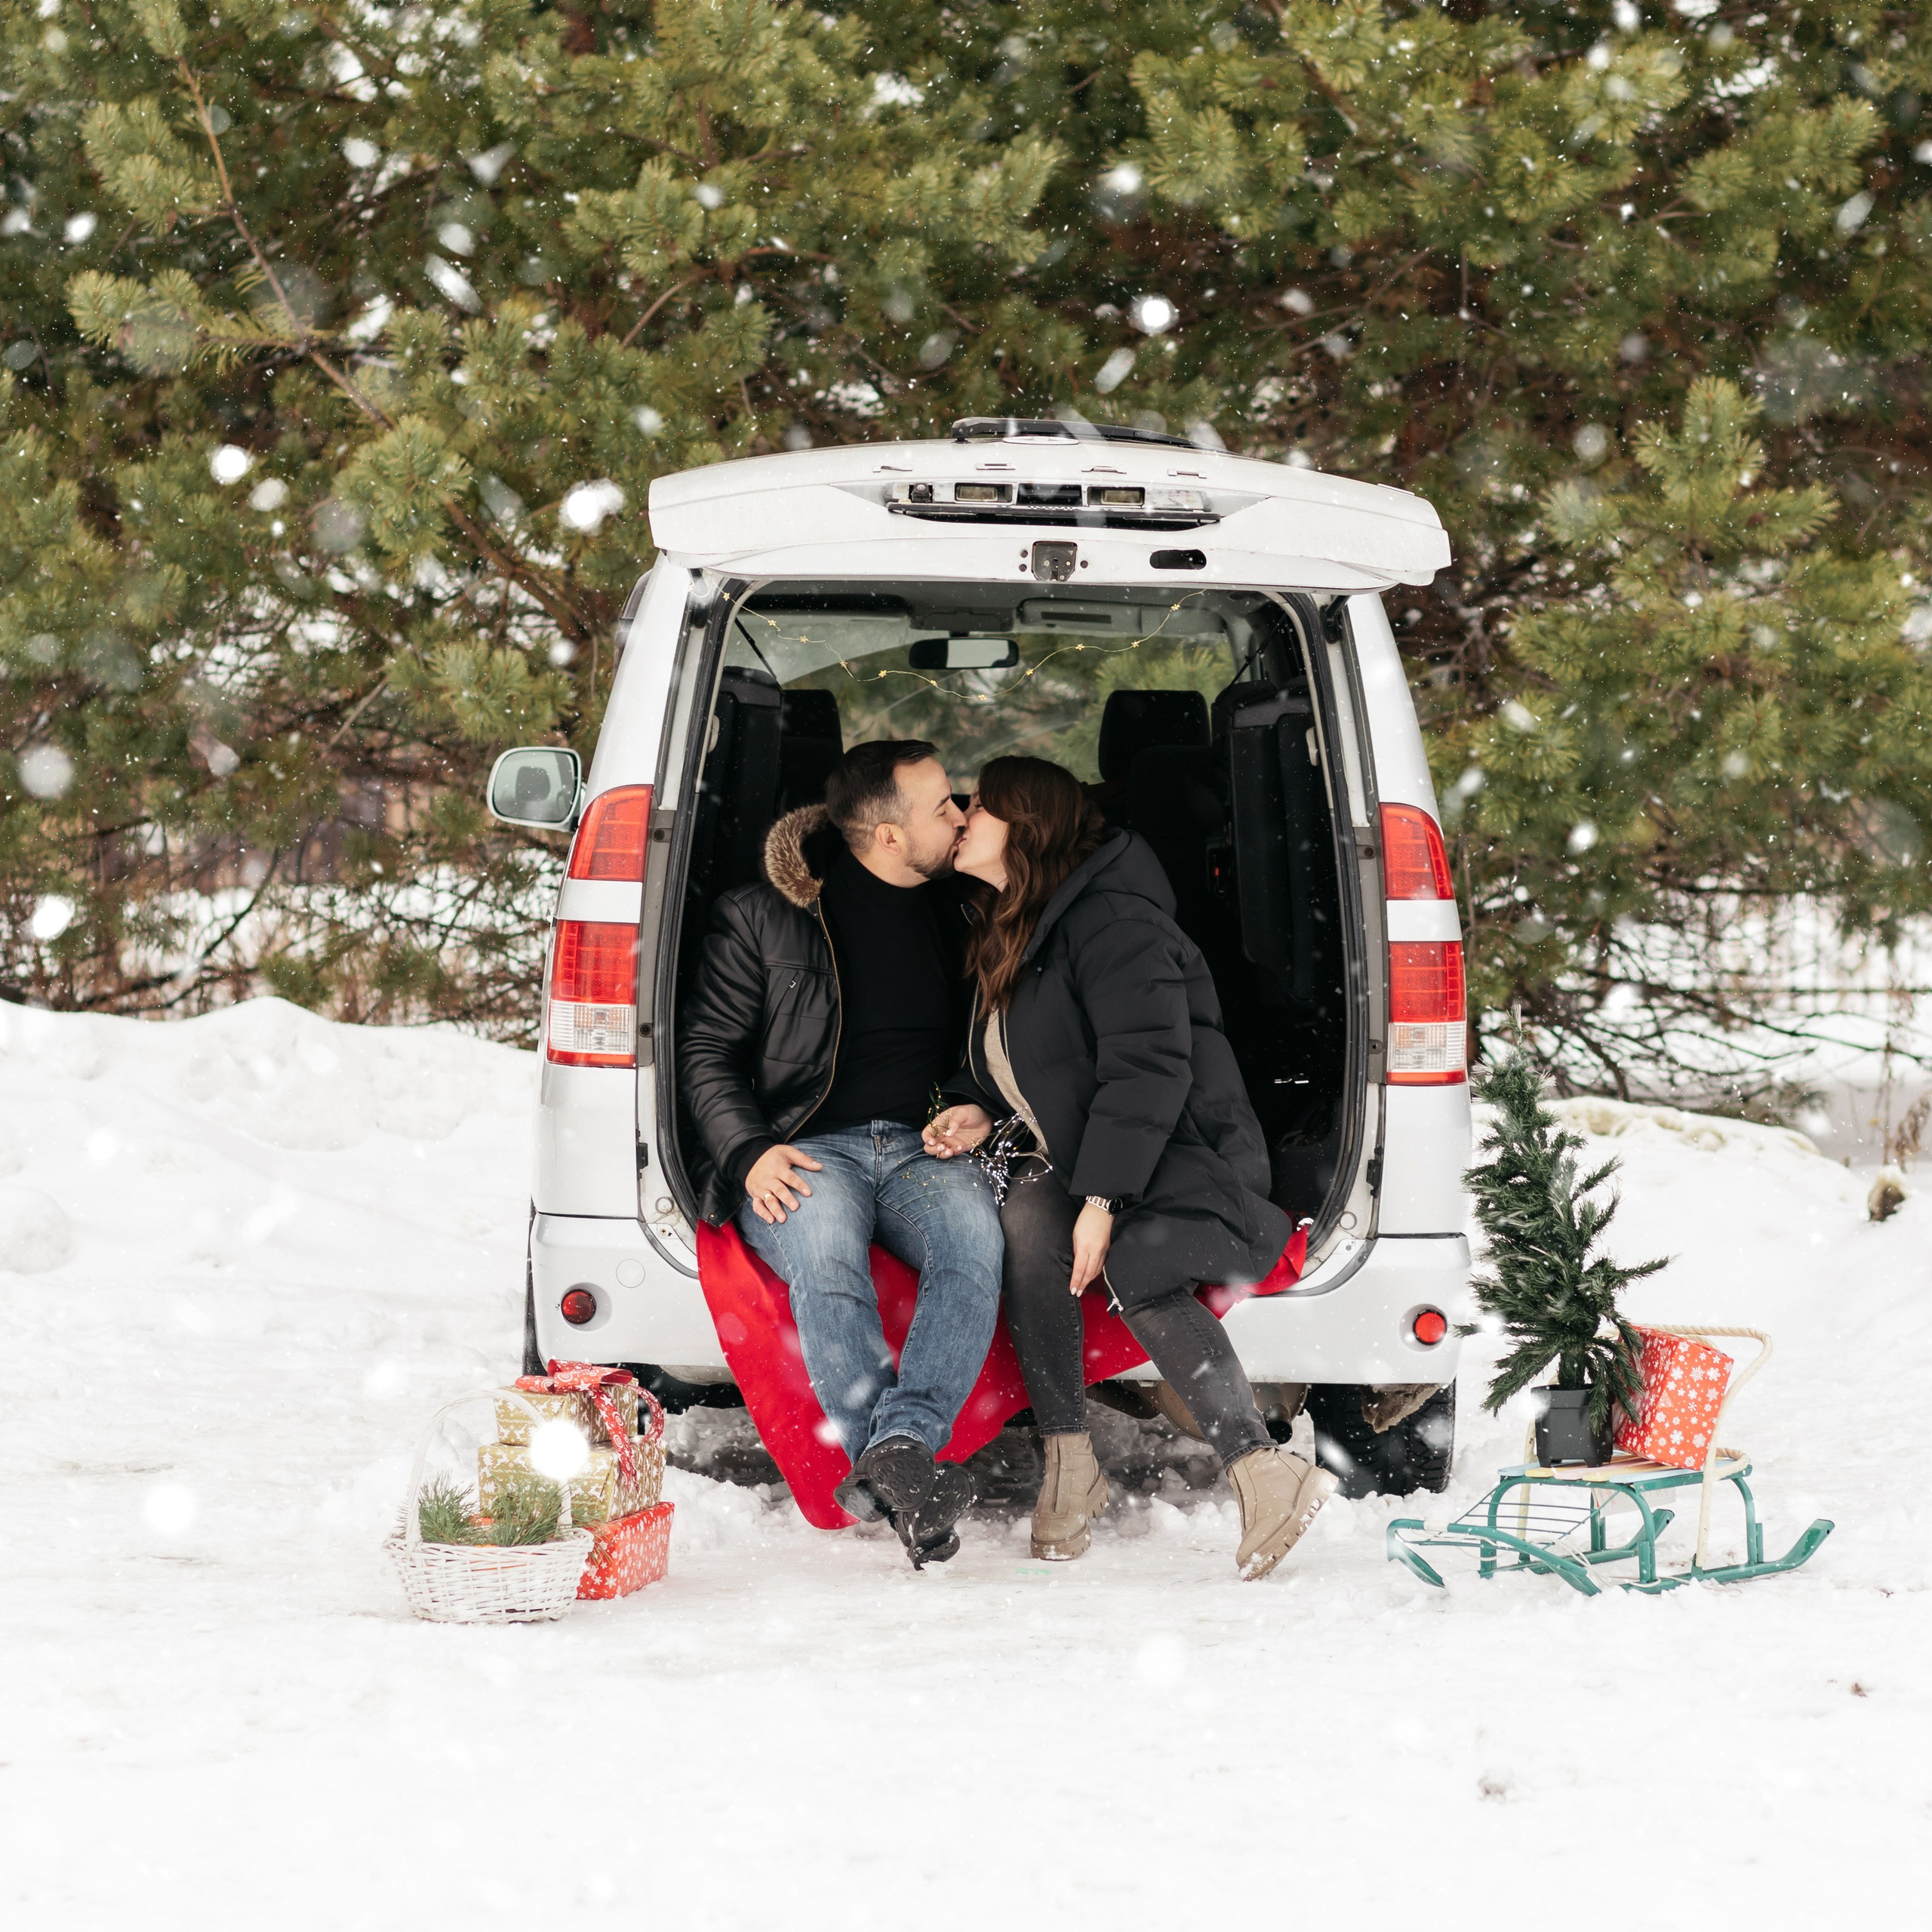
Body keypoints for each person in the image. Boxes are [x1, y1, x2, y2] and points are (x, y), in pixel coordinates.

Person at [924, 755, 1338, 1580]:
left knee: (1136, 1260)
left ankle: (1264, 1468)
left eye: (983, 803)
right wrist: (979, 1102)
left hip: (1179, 1149)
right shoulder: (1012, 915)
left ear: (1027, 825)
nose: (965, 814)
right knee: (1026, 1231)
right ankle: (1070, 1462)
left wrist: (1106, 1197)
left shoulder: (1115, 920)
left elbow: (1146, 1069)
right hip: (1086, 1148)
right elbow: (1033, 1055)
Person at [680, 739, 1003, 1567]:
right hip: (798, 1146)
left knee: (973, 1243)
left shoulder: (965, 910)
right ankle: (905, 1470)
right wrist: (748, 1151)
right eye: (944, 807)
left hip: (917, 1147)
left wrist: (972, 1102)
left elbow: (996, 1042)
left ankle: (897, 1449)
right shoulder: (762, 915)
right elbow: (706, 1049)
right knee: (825, 1254)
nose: (963, 816)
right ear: (888, 836)